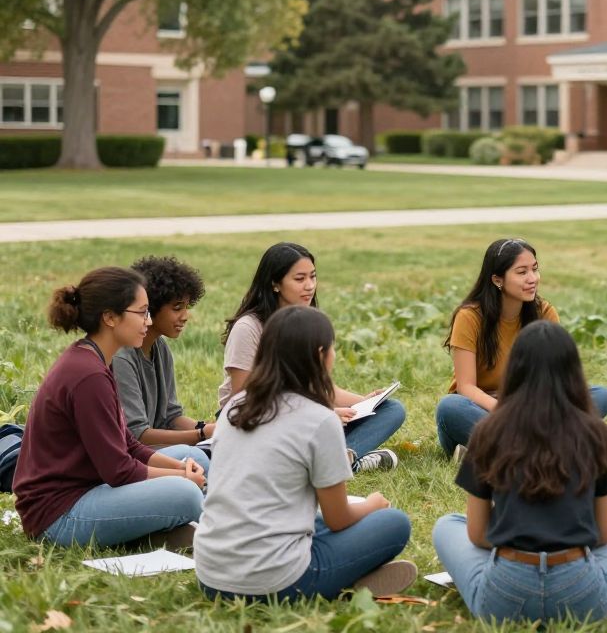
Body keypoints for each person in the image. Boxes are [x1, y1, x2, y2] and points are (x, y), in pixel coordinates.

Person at [195, 306, 415, 602]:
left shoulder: (237, 406)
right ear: (321, 355)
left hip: (210, 574)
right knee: (394, 523)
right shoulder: (320, 419)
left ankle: (349, 574)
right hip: (274, 581)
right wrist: (374, 505)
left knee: (317, 519)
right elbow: (339, 519)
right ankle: (345, 580)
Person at [433, 320, 607, 624]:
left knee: (447, 525)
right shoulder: (596, 433)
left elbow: (478, 534)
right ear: (573, 371)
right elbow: (605, 532)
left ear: (514, 370)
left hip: (505, 593)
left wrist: (519, 536)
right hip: (580, 593)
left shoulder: (488, 432)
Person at [13, 267, 205, 548]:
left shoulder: (94, 360)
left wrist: (181, 467)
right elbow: (119, 470)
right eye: (141, 313)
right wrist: (182, 478)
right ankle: (202, 530)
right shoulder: (88, 375)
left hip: (90, 490)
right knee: (185, 493)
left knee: (193, 456)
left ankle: (173, 530)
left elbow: (128, 444)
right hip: (58, 517)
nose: (148, 321)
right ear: (110, 317)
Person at [220, 242, 404, 472]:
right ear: (275, 284)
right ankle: (334, 462)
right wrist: (317, 415)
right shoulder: (248, 328)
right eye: (299, 279)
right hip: (256, 421)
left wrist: (365, 402)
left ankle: (342, 457)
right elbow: (243, 398)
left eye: (313, 277)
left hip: (302, 419)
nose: (309, 286)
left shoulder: (307, 323)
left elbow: (322, 388)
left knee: (391, 409)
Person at [435, 238, 607, 458]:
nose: (533, 279)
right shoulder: (470, 317)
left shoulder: (545, 313)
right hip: (483, 409)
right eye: (521, 272)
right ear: (497, 280)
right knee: (449, 408)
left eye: (535, 269)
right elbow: (466, 387)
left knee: (600, 396)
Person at [112, 256, 213, 472]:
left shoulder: (160, 347)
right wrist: (201, 435)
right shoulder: (122, 356)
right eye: (177, 307)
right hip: (129, 460)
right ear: (151, 307)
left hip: (150, 451)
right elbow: (137, 435)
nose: (185, 316)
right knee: (198, 457)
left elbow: (171, 416)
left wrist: (209, 429)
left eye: (187, 307)